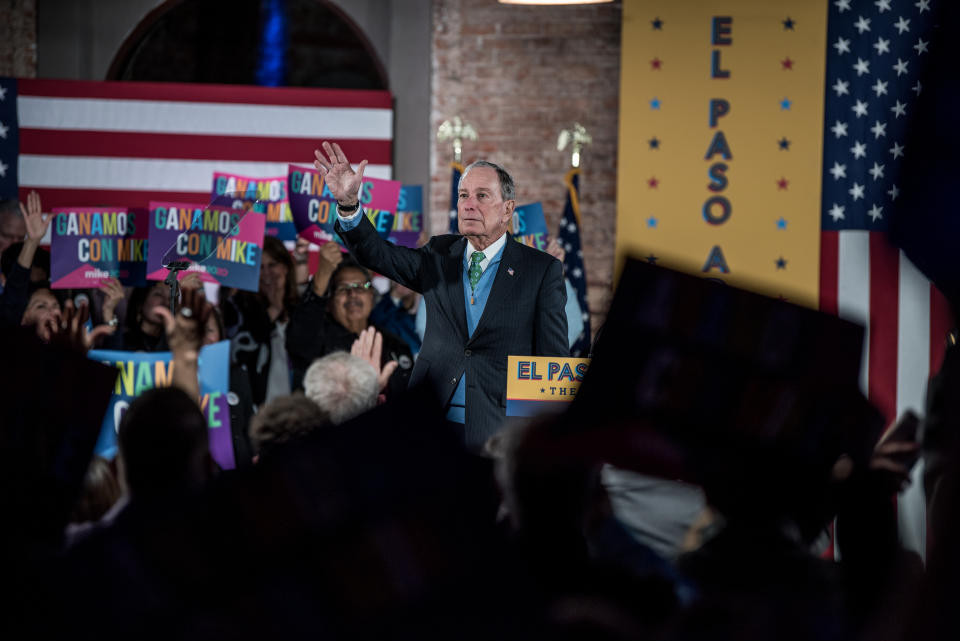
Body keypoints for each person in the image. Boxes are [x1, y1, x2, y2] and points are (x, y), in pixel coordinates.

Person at [314, 142, 568, 450]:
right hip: (428, 422)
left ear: (507, 209)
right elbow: (379, 255)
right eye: (463, 196)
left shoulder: (541, 270)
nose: (469, 204)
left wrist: (542, 442)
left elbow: (552, 363)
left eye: (482, 196)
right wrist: (349, 205)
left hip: (497, 431)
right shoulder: (438, 253)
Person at [286, 256, 413, 396]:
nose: (353, 294)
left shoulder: (396, 344)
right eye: (342, 288)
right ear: (329, 302)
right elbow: (300, 337)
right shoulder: (314, 341)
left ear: (372, 295)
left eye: (360, 286)